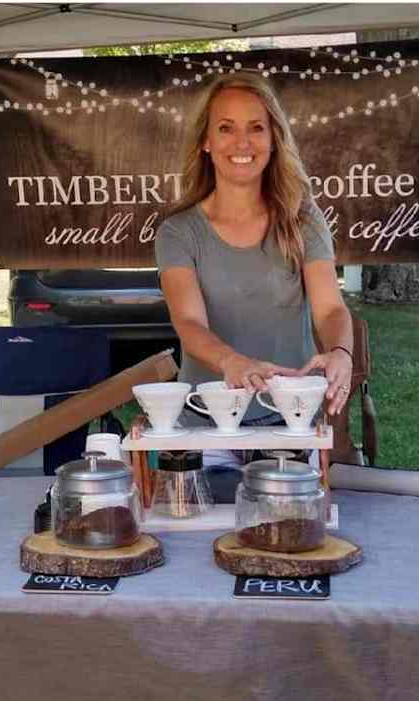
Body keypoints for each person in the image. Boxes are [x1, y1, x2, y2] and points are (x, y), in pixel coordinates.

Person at [154, 73, 354, 494]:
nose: (241, 143)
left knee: (290, 541)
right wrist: (231, 362)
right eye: (226, 128)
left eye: (256, 127)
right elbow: (189, 324)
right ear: (206, 142)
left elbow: (330, 309)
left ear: (274, 138)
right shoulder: (179, 230)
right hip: (205, 424)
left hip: (289, 422)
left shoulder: (303, 218)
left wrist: (340, 351)